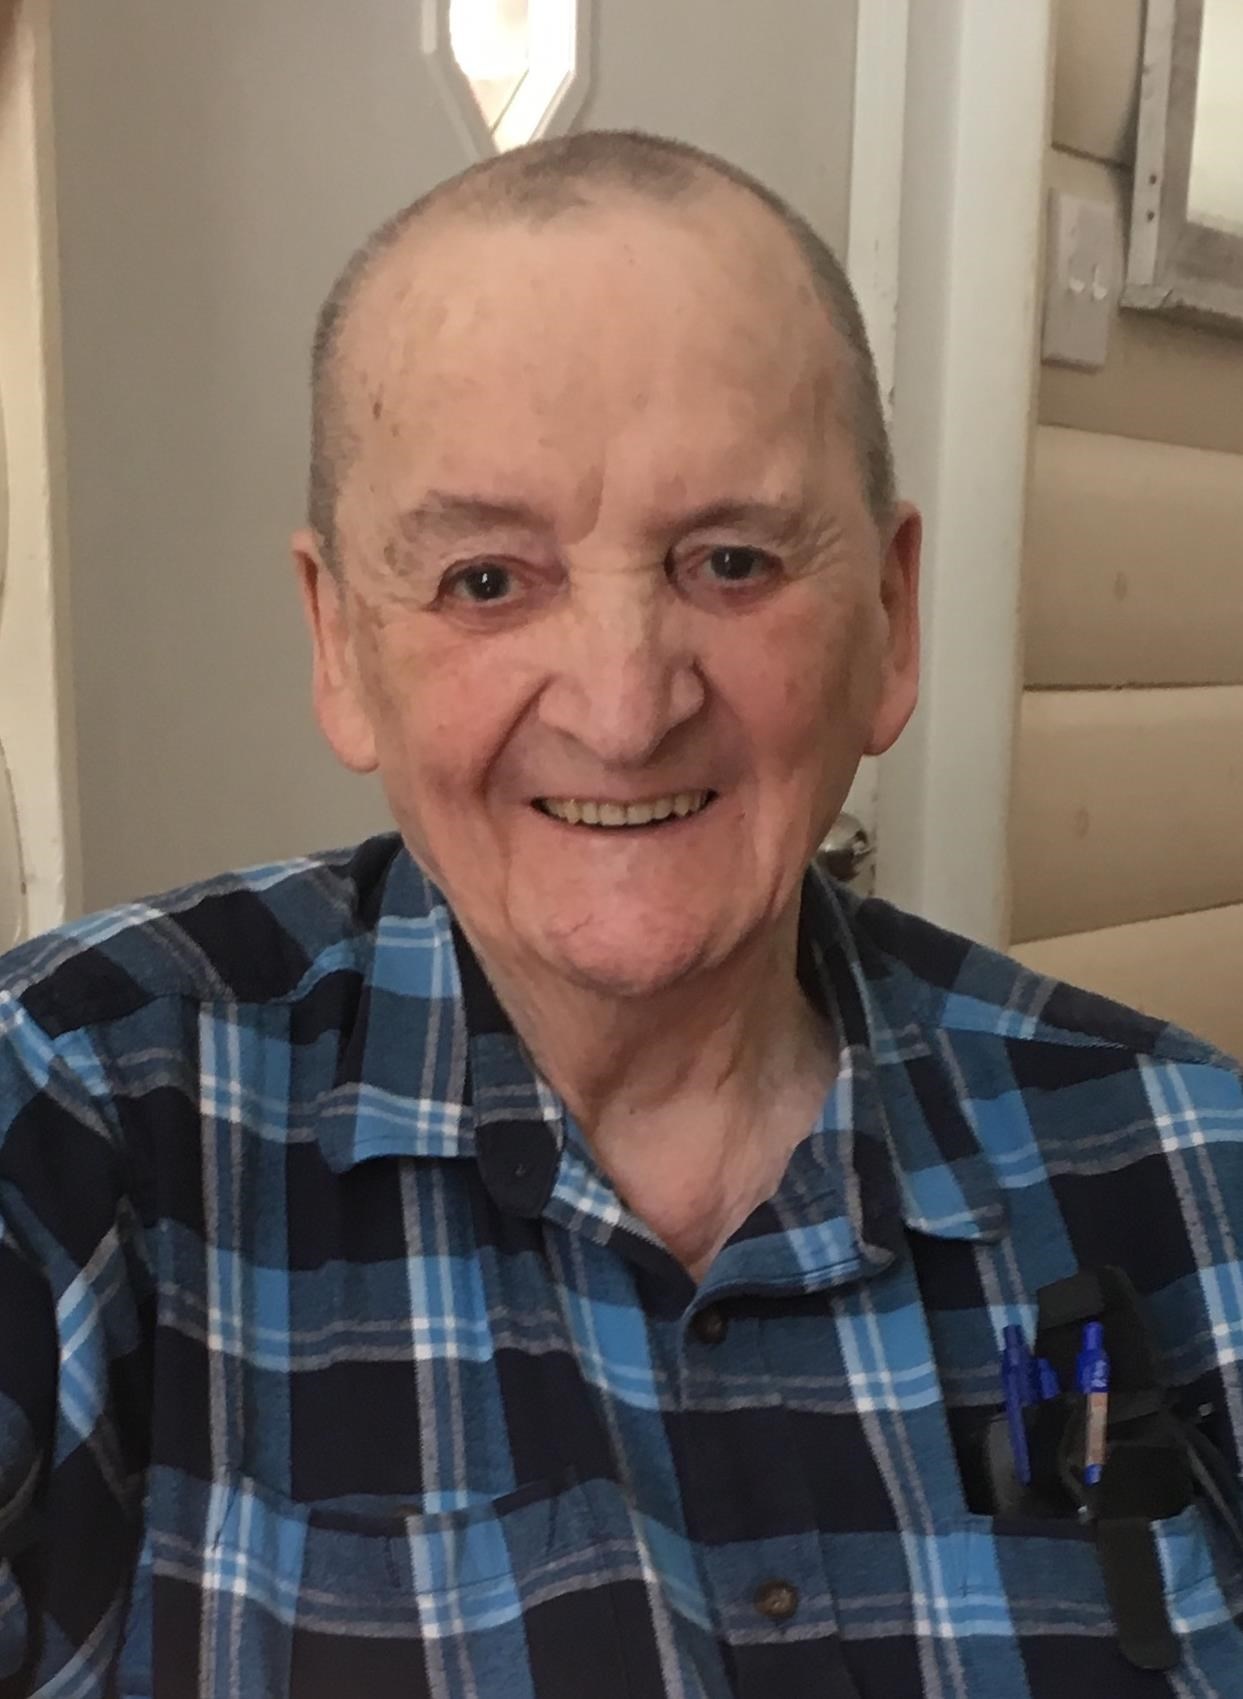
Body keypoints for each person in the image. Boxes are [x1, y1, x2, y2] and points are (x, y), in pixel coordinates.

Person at [1, 130, 1241, 1699]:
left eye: (731, 561)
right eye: (486, 582)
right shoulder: (71, 1123)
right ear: (338, 643)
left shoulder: (1189, 1165)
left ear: (891, 616)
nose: (624, 707)